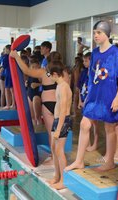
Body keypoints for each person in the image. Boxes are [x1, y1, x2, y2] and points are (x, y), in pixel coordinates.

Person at [65, 20, 118, 172]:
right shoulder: (94, 53)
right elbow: (92, 77)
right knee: (84, 124)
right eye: (94, 33)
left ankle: (110, 161)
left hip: (109, 96)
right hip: (94, 96)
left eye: (98, 33)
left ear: (106, 34)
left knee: (109, 128)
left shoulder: (115, 53)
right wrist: (87, 97)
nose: (95, 36)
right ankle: (79, 161)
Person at [9, 50, 63, 165]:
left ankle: (54, 157)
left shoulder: (44, 72)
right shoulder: (63, 72)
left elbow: (26, 70)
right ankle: (59, 155)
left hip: (48, 105)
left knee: (51, 133)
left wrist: (16, 56)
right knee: (60, 133)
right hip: (60, 104)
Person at [45, 61, 72, 190]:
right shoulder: (59, 86)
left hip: (63, 120)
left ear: (55, 74)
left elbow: (63, 110)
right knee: (53, 149)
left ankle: (63, 180)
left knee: (59, 151)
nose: (48, 76)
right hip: (57, 121)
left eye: (49, 74)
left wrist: (59, 128)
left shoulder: (64, 87)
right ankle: (57, 176)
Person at [77, 52, 99, 152]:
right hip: (84, 99)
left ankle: (95, 143)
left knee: (94, 123)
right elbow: (79, 87)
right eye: (83, 61)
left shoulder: (96, 73)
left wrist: (85, 101)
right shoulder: (83, 72)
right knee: (86, 124)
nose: (84, 63)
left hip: (92, 101)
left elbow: (93, 89)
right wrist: (79, 100)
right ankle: (88, 142)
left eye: (86, 61)